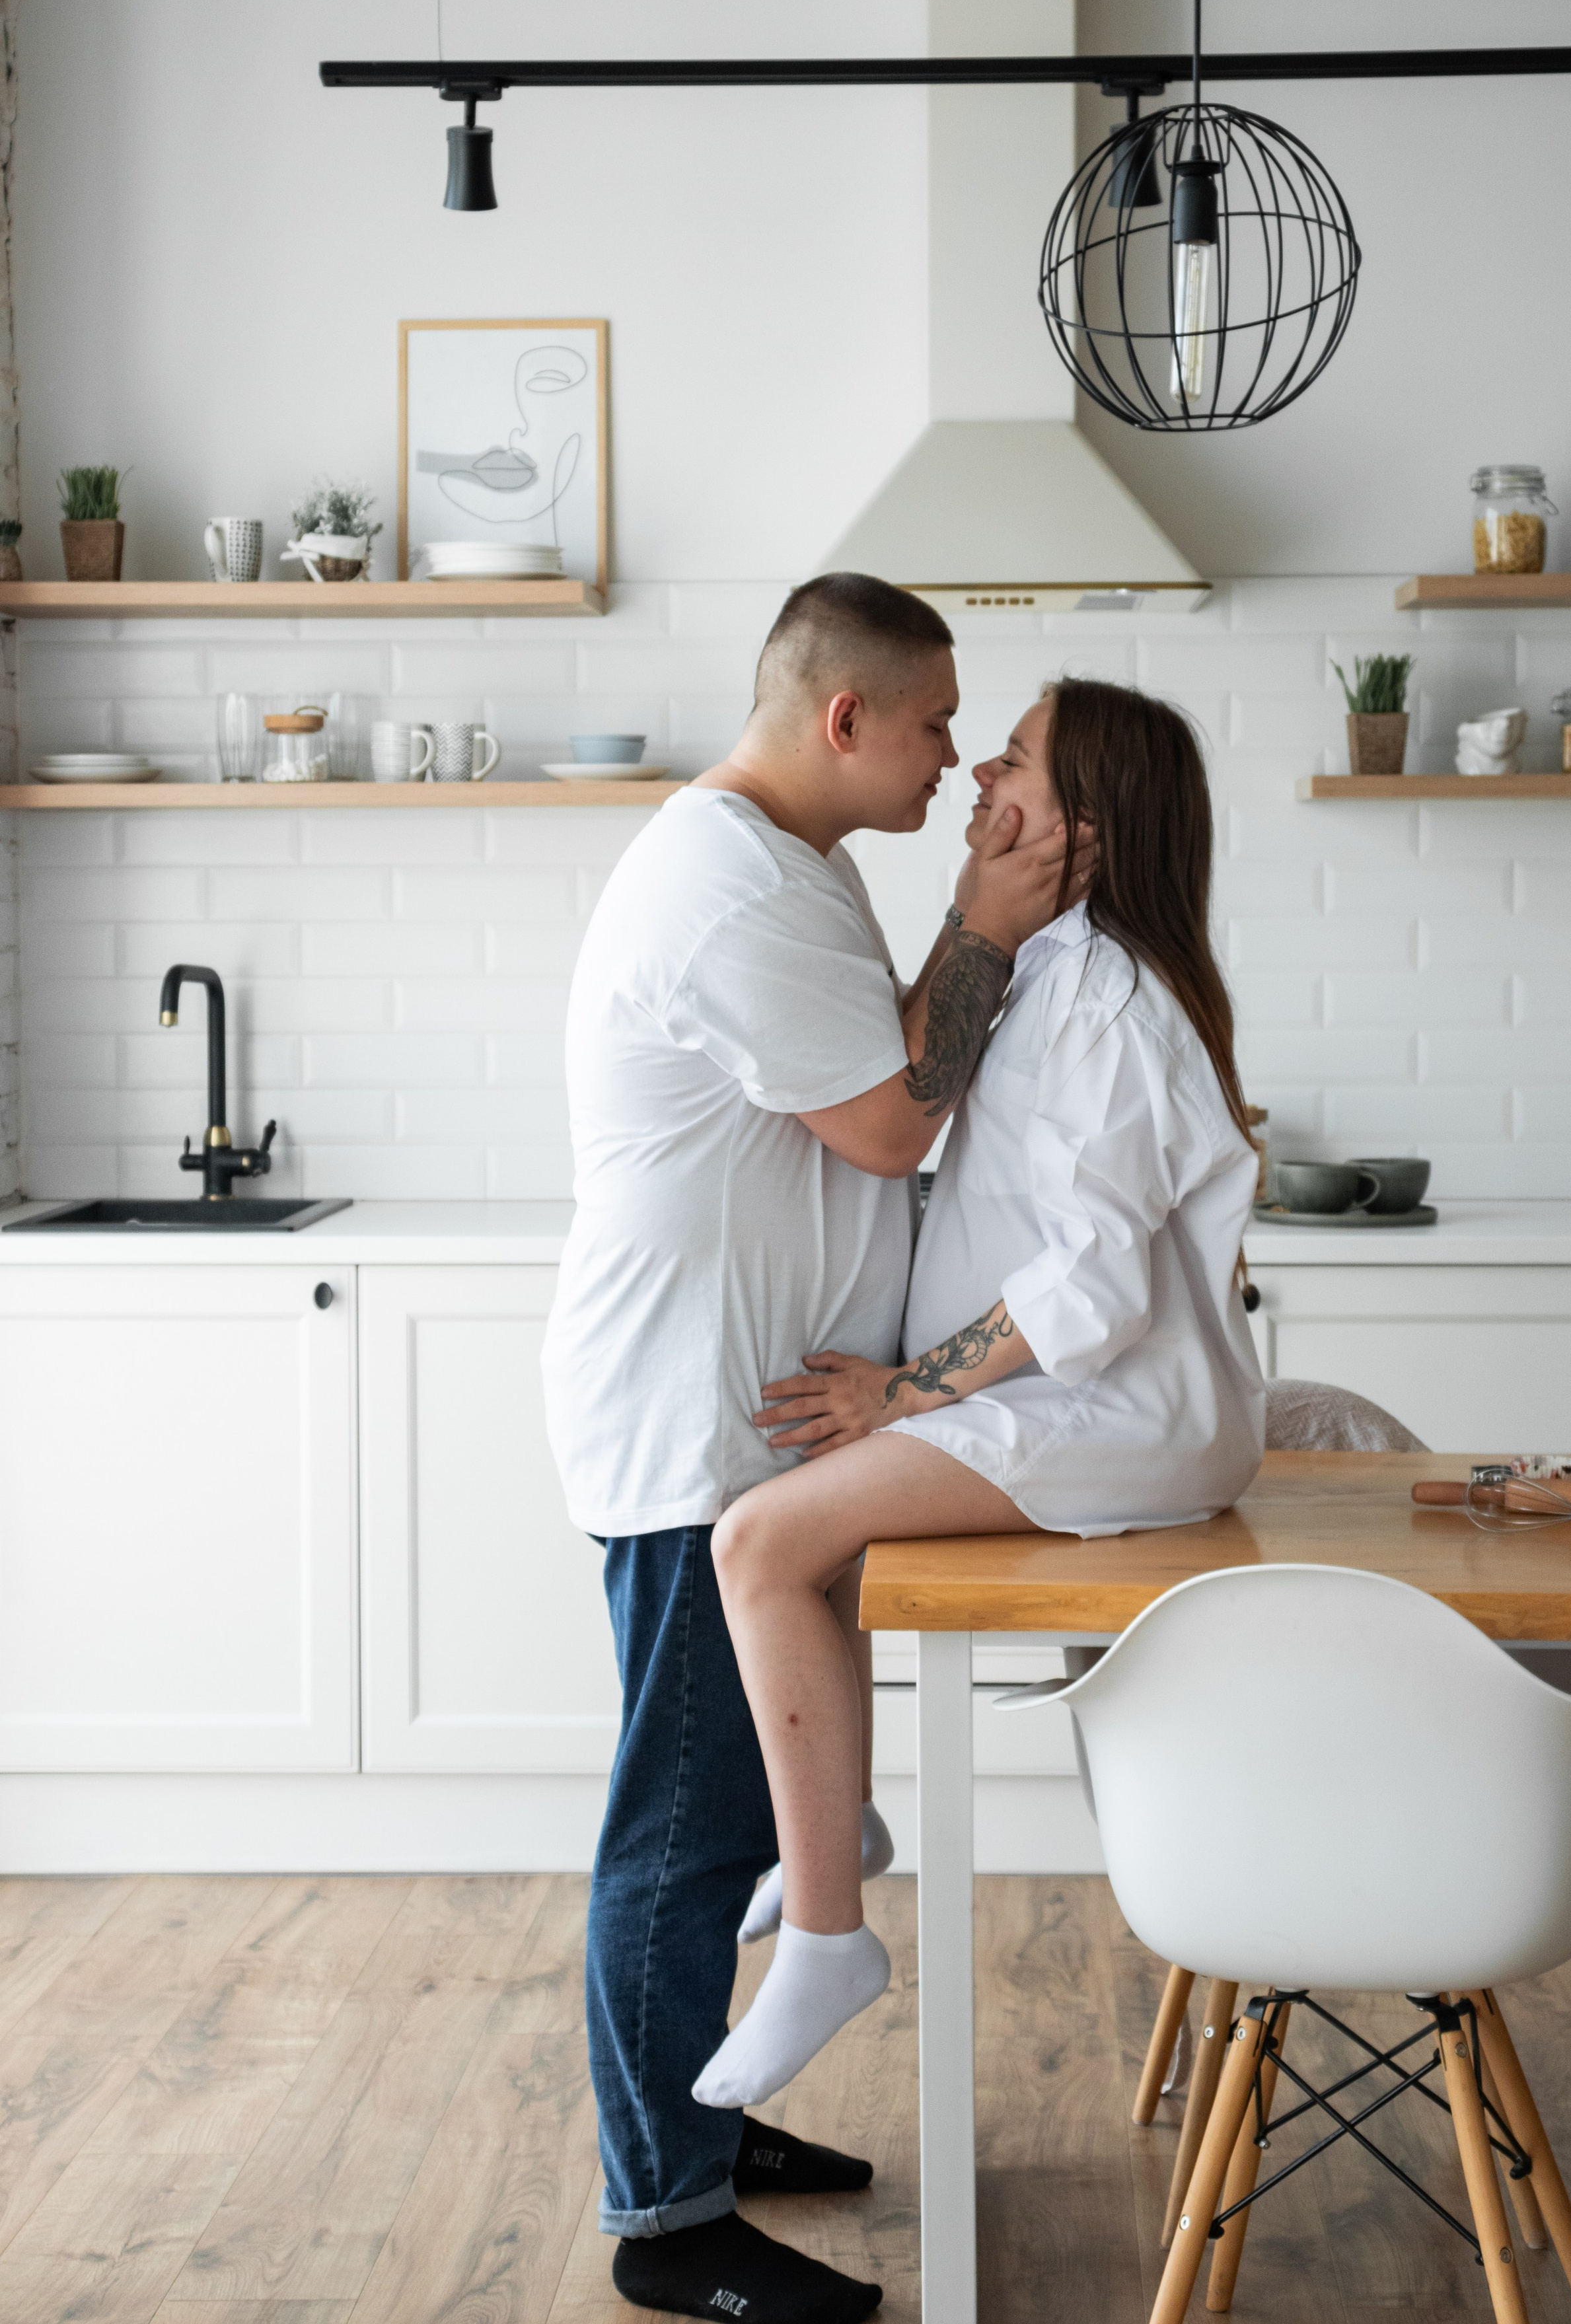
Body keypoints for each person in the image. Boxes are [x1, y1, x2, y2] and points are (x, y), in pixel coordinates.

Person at [543, 573, 1073, 2324]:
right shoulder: (730, 890)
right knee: (686, 1833)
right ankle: (666, 2216)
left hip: (764, 1425)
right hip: (698, 1428)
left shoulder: (792, 860)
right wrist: (988, 912)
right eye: (933, 722)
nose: (951, 756)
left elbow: (889, 1057)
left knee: (741, 1809)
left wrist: (972, 932)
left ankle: (706, 2119)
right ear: (845, 717)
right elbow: (891, 1123)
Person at [695, 678, 1265, 2112]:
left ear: (1082, 826)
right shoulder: (1060, 968)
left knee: (759, 1542)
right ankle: (834, 1840)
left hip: (1119, 1408)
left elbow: (1093, 1287)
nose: (976, 772)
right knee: (804, 1527)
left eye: (1009, 757)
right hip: (1087, 1396)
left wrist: (903, 1390)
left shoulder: (1108, 1000)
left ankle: (828, 1939)